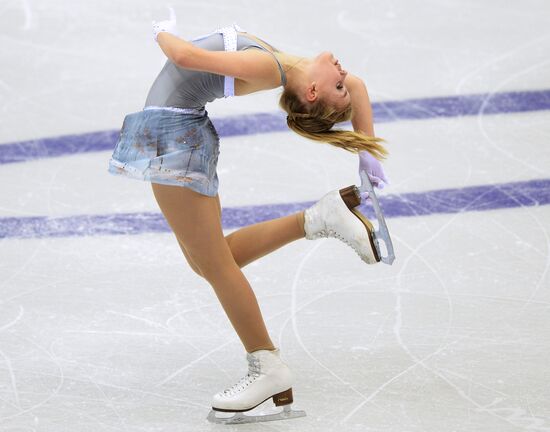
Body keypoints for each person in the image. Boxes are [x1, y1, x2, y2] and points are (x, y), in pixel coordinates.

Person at [108, 9, 389, 424]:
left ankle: (267, 367)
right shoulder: (291, 65)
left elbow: (184, 57)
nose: (345, 72)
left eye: (338, 84)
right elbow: (359, 86)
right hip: (178, 132)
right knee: (210, 262)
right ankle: (319, 219)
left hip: (174, 136)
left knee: (216, 266)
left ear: (312, 91)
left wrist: (160, 30)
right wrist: (364, 148)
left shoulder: (270, 65)